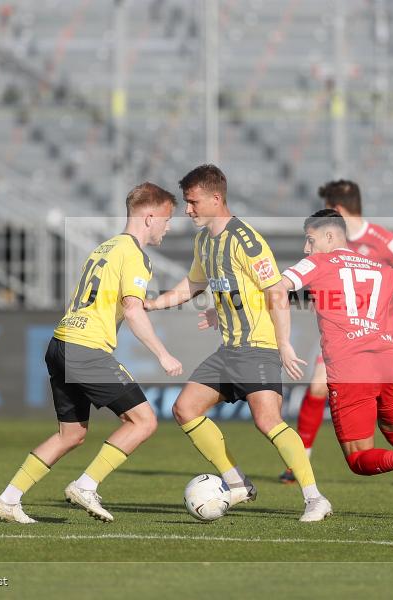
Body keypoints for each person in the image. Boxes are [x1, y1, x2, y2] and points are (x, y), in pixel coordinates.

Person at [145, 164, 333, 522]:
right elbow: (194, 285)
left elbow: (276, 292)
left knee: (267, 421)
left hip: (257, 346)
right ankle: (237, 483)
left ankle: (315, 498)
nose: (188, 210)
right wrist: (153, 303)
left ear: (216, 199)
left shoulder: (246, 241)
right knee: (185, 409)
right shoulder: (204, 241)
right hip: (228, 349)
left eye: (193, 201)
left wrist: (284, 345)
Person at [0, 182, 183, 524]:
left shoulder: (103, 248)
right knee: (143, 420)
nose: (169, 226)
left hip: (61, 343)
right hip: (86, 348)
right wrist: (163, 354)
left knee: (72, 433)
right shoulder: (135, 255)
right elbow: (133, 310)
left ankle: (8, 499)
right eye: (167, 218)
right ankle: (86, 484)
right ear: (149, 216)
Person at [278, 209, 393, 519]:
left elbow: (277, 288)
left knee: (358, 458)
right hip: (387, 367)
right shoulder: (382, 269)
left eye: (310, 241)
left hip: (350, 372)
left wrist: (276, 335)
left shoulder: (318, 263)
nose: (306, 249)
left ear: (329, 236)